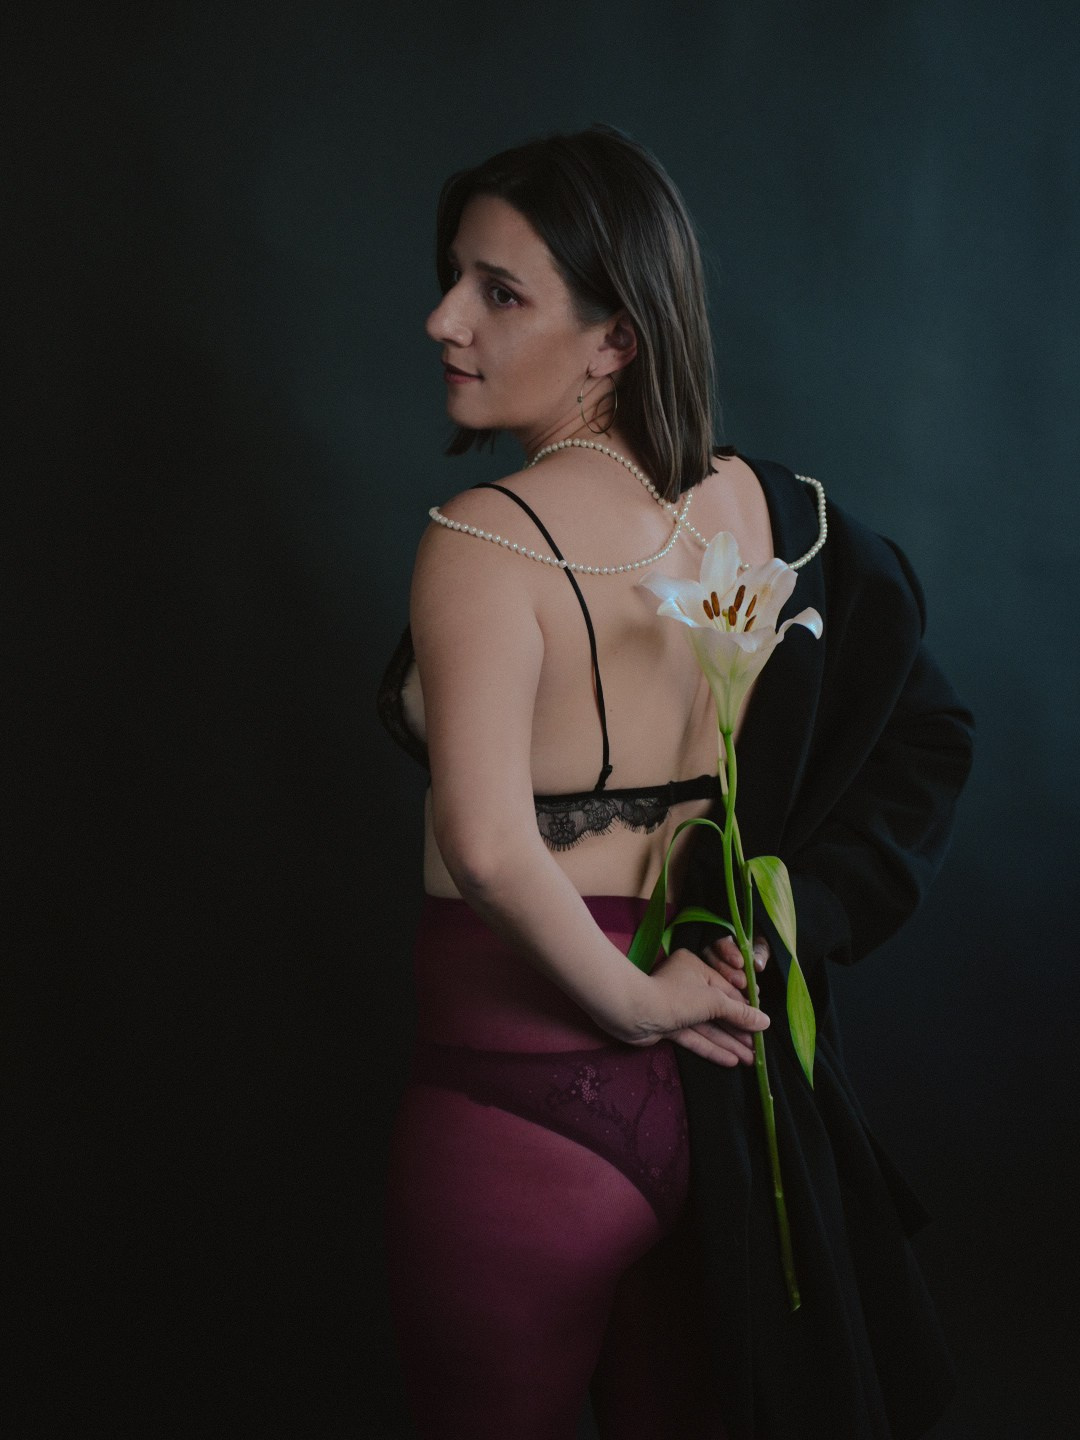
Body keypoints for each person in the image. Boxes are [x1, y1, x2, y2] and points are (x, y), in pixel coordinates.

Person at [378, 126, 973, 1440]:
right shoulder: (767, 511)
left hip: (523, 1104)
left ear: (617, 341)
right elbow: (924, 737)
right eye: (454, 277)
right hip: (719, 1114)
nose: (444, 319)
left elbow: (489, 846)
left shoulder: (482, 538)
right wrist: (779, 924)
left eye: (499, 291)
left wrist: (639, 1004)